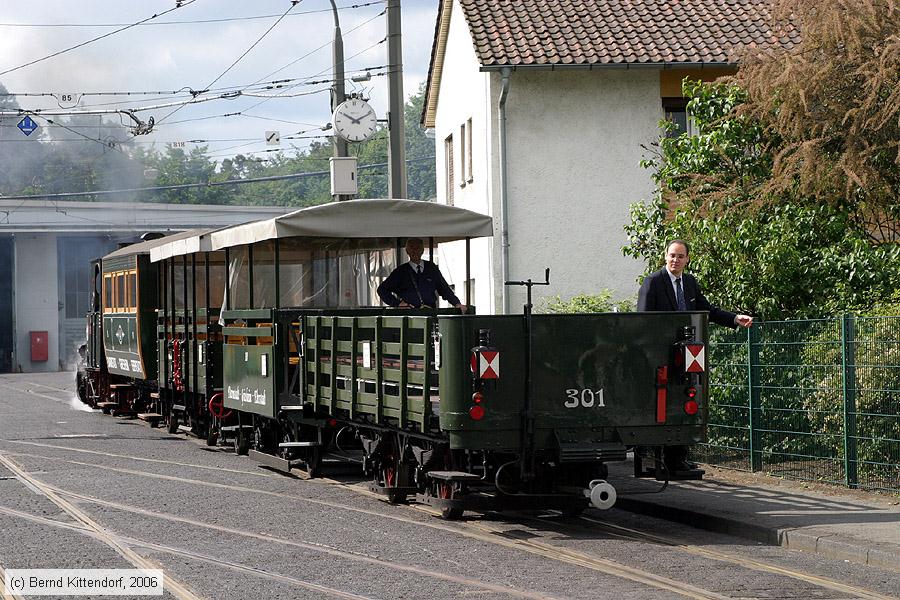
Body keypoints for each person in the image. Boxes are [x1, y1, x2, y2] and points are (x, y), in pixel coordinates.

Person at [637, 239, 753, 478]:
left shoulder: (689, 283)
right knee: (660, 406)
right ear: (665, 256)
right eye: (672, 255)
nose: (675, 260)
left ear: (687, 259)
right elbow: (642, 322)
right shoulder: (653, 282)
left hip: (686, 354)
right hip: (659, 355)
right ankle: (656, 457)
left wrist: (734, 319)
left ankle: (678, 458)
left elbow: (706, 311)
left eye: (680, 256)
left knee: (686, 400)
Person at [377, 238, 467, 312]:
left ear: (422, 250)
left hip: (430, 312)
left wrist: (457, 303)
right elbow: (382, 290)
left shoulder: (431, 268)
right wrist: (397, 304)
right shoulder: (401, 271)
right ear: (407, 251)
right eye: (412, 247)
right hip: (409, 315)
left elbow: (444, 289)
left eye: (418, 248)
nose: (415, 251)